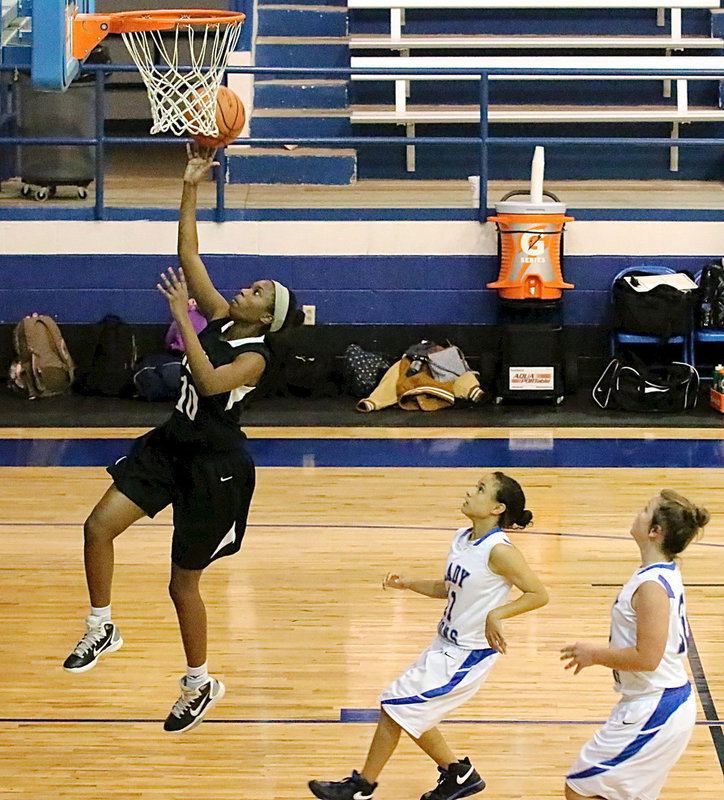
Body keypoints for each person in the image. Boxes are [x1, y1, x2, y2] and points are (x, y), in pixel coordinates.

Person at [62, 146, 303, 733]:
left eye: (256, 293)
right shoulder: (221, 315)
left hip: (216, 469)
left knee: (181, 583)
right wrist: (189, 185)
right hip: (171, 445)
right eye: (248, 286)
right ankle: (102, 625)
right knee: (97, 526)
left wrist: (185, 319)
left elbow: (210, 379)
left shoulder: (255, 356)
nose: (243, 290)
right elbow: (188, 252)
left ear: (265, 318)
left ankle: (199, 683)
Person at [309, 471, 549, 800]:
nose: (470, 491)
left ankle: (361, 788)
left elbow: (538, 593)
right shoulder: (462, 538)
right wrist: (409, 583)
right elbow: (449, 589)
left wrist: (497, 614)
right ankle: (459, 774)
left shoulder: (500, 551)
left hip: (468, 655)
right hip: (443, 645)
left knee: (394, 706)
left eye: (480, 490)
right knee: (412, 711)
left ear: (497, 508)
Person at [560, 489, 710, 800]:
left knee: (580, 787)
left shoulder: (652, 585)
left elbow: (648, 658)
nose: (638, 513)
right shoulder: (659, 572)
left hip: (656, 706)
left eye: (646, 510)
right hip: (653, 703)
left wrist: (594, 655)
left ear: (656, 532)